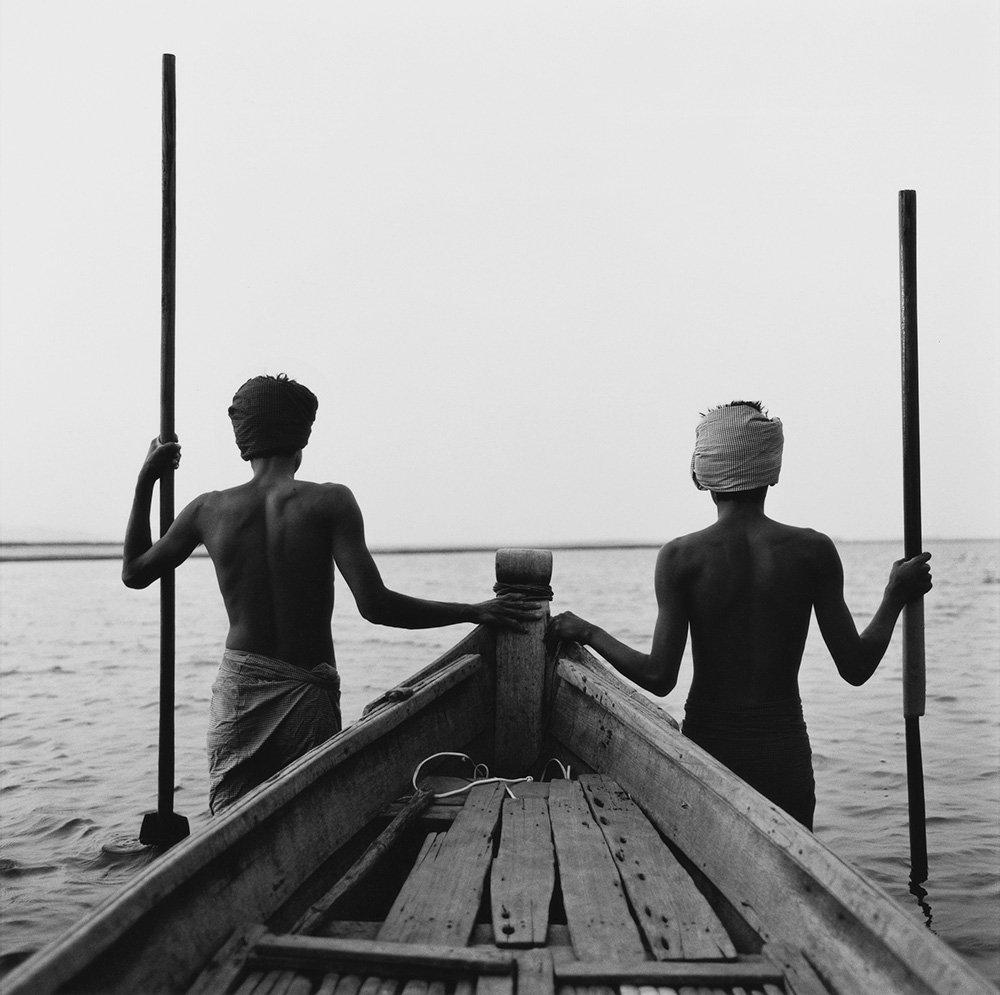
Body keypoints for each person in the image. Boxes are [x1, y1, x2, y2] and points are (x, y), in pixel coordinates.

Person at [123, 373, 536, 813]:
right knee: (309, 808)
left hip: (239, 690)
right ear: (302, 437)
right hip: (308, 687)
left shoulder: (209, 509)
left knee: (233, 814)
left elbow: (135, 573)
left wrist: (146, 480)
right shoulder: (330, 501)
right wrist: (476, 611)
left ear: (244, 440)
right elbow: (376, 606)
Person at [548, 400, 932, 830]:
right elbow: (856, 668)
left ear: (704, 476)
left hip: (711, 752)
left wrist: (587, 631)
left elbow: (658, 677)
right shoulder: (813, 550)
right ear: (770, 472)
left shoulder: (680, 557)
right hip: (784, 754)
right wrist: (894, 595)